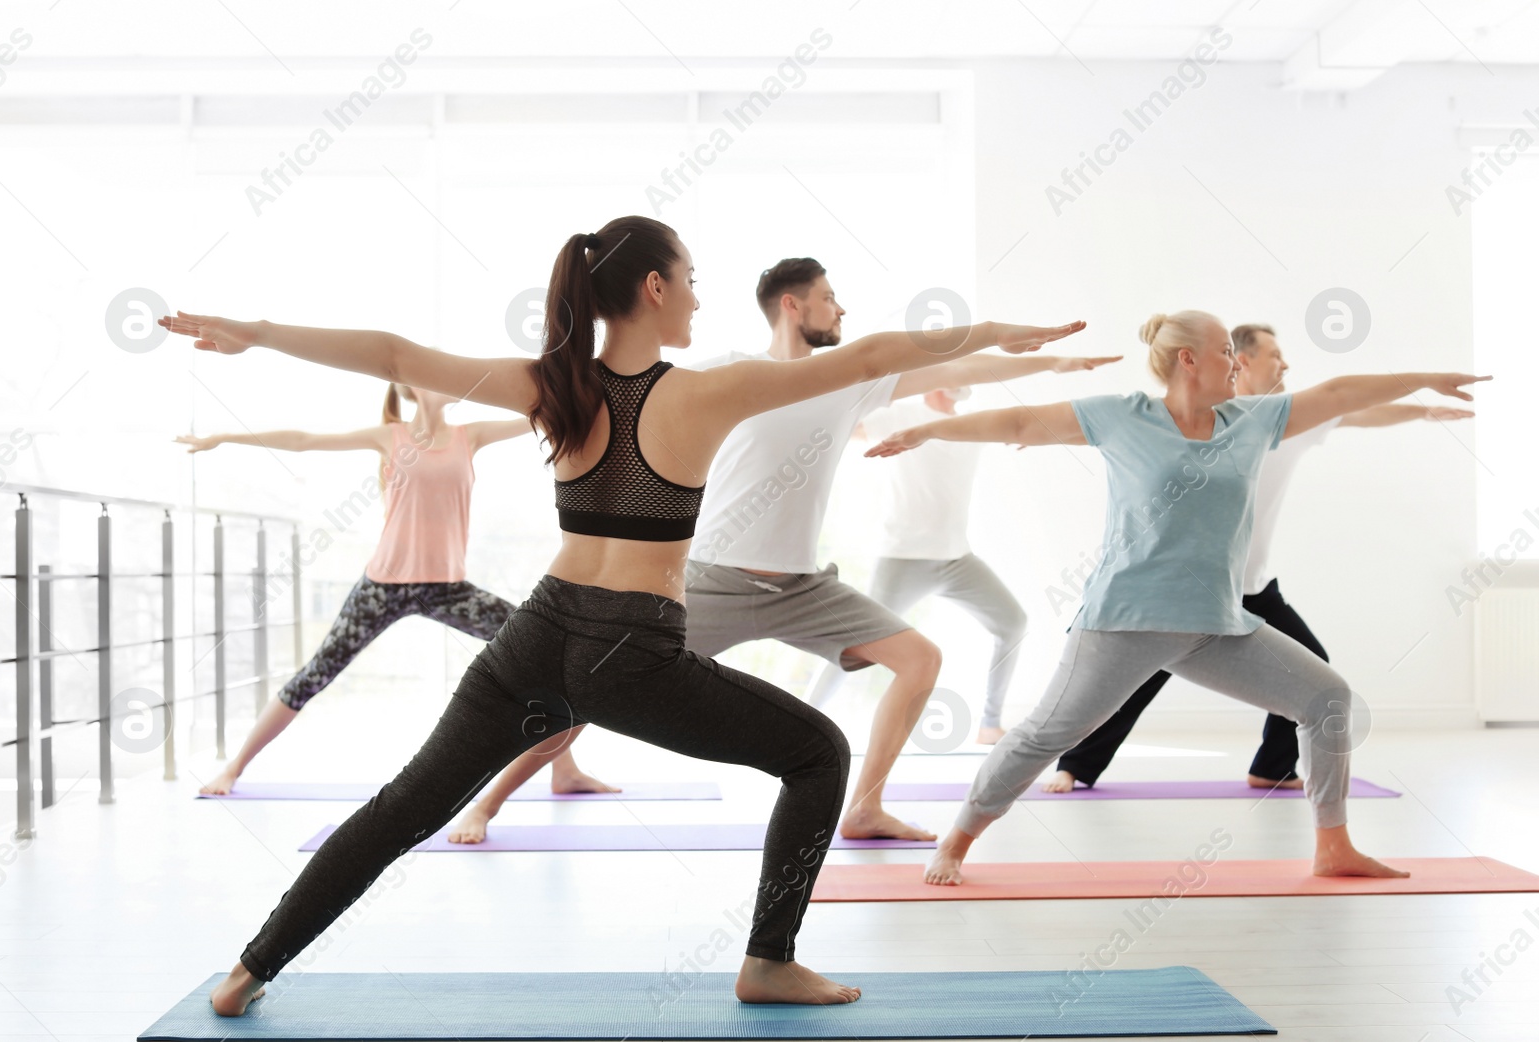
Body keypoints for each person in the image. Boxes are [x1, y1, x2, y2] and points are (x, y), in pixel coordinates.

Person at [159, 215, 1086, 1014]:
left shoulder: (553, 383)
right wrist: (1008, 332)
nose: (696, 298)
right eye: (690, 281)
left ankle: (250, 970)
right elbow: (879, 355)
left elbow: (399, 356)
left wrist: (258, 331)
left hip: (538, 633)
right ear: (655, 285)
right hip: (630, 647)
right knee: (817, 754)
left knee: (407, 803)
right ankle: (768, 961)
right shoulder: (704, 390)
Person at [445, 257, 1116, 846]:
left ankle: (867, 807)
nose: (841, 308)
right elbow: (624, 398)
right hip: (714, 580)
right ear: (792, 306)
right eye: (829, 297)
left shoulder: (853, 378)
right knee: (596, 685)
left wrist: (1051, 361)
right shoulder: (726, 373)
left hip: (804, 589)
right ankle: (488, 800)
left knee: (920, 659)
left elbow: (955, 364)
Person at [864, 308, 1487, 886]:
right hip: (1124, 622)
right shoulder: (1123, 416)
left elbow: (1340, 394)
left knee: (1328, 699)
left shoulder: (1253, 422)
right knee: (1041, 737)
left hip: (1215, 622)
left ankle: (1333, 845)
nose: (1236, 363)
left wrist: (1428, 379)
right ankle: (959, 839)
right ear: (1188, 359)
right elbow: (1023, 422)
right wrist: (929, 429)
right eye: (1224, 351)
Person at [1042, 323, 1473, 793]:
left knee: (1313, 666)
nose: (1285, 365)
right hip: (1183, 590)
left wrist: (1424, 410)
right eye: (1275, 355)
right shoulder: (1198, 421)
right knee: (1136, 680)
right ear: (1241, 362)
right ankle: (1075, 766)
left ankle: (1272, 767)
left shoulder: (1292, 420)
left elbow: (1355, 408)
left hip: (1251, 587)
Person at [180, 386, 615, 799]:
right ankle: (234, 767)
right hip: (383, 587)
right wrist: (224, 437)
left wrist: (596, 386)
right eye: (434, 377)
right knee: (314, 674)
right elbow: (303, 440)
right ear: (410, 388)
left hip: (448, 589)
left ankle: (564, 770)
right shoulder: (392, 436)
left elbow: (542, 413)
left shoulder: (472, 435)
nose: (450, 382)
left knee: (545, 651)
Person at [803, 381, 1060, 746]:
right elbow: (844, 429)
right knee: (854, 642)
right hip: (902, 560)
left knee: (1013, 623)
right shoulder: (900, 415)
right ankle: (806, 721)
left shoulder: (973, 424)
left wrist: (1036, 435)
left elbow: (1019, 424)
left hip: (957, 559)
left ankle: (989, 724)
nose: (961, 383)